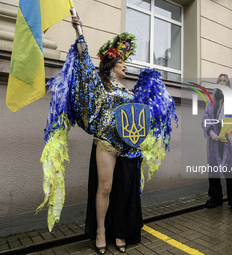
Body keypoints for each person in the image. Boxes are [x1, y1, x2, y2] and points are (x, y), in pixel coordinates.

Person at [71, 15, 142, 253]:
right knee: (106, 187)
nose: (125, 64)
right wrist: (79, 30)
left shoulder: (126, 90)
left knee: (124, 190)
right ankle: (101, 231)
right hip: (107, 142)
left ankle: (120, 232)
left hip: (129, 146)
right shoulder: (101, 85)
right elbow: (83, 61)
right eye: (122, 61)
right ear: (111, 64)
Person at [202, 74, 232, 214]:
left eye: (225, 81)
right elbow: (206, 118)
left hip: (231, 139)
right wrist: (211, 133)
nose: (222, 83)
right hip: (215, 140)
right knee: (214, 170)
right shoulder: (211, 101)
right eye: (220, 81)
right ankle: (215, 197)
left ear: (229, 85)